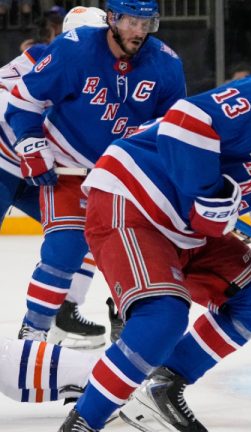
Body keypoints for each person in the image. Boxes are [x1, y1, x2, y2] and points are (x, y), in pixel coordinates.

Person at [58, 26, 251, 431]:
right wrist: (207, 192)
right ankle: (83, 423)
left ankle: (164, 383)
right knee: (164, 315)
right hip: (133, 203)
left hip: (184, 230)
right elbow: (183, 121)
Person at [4, 0, 186, 349]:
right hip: (66, 169)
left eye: (147, 23)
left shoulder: (166, 64)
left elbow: (174, 130)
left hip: (121, 174)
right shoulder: (75, 49)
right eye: (132, 22)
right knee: (66, 247)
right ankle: (34, 332)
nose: (140, 31)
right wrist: (30, 142)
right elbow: (24, 100)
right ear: (113, 19)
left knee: (142, 252)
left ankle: (128, 326)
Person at [0, 6, 110, 349]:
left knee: (87, 230)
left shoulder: (103, 74)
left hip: (45, 176)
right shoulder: (30, 64)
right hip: (4, 167)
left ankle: (63, 311)